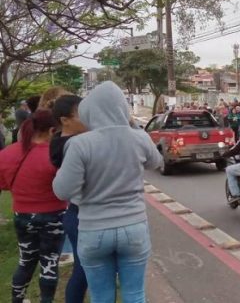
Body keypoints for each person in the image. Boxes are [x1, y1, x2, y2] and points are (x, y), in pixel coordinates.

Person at [53, 81, 163, 303]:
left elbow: (63, 191)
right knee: (135, 293)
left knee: (101, 295)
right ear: (123, 108)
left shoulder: (80, 144)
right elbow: (156, 162)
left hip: (94, 229)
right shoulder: (138, 137)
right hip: (134, 227)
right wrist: (131, 126)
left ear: (89, 111)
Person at [0, 110, 68, 303]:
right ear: (52, 130)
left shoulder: (8, 153)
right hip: (55, 215)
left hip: (22, 215)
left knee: (26, 261)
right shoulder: (56, 155)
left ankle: (17, 300)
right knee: (49, 262)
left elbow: (3, 184)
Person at [50, 95, 89, 303]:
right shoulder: (73, 145)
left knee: (83, 269)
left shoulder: (59, 139)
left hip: (75, 212)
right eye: (81, 114)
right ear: (65, 120)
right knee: (82, 270)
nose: (88, 118)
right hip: (80, 213)